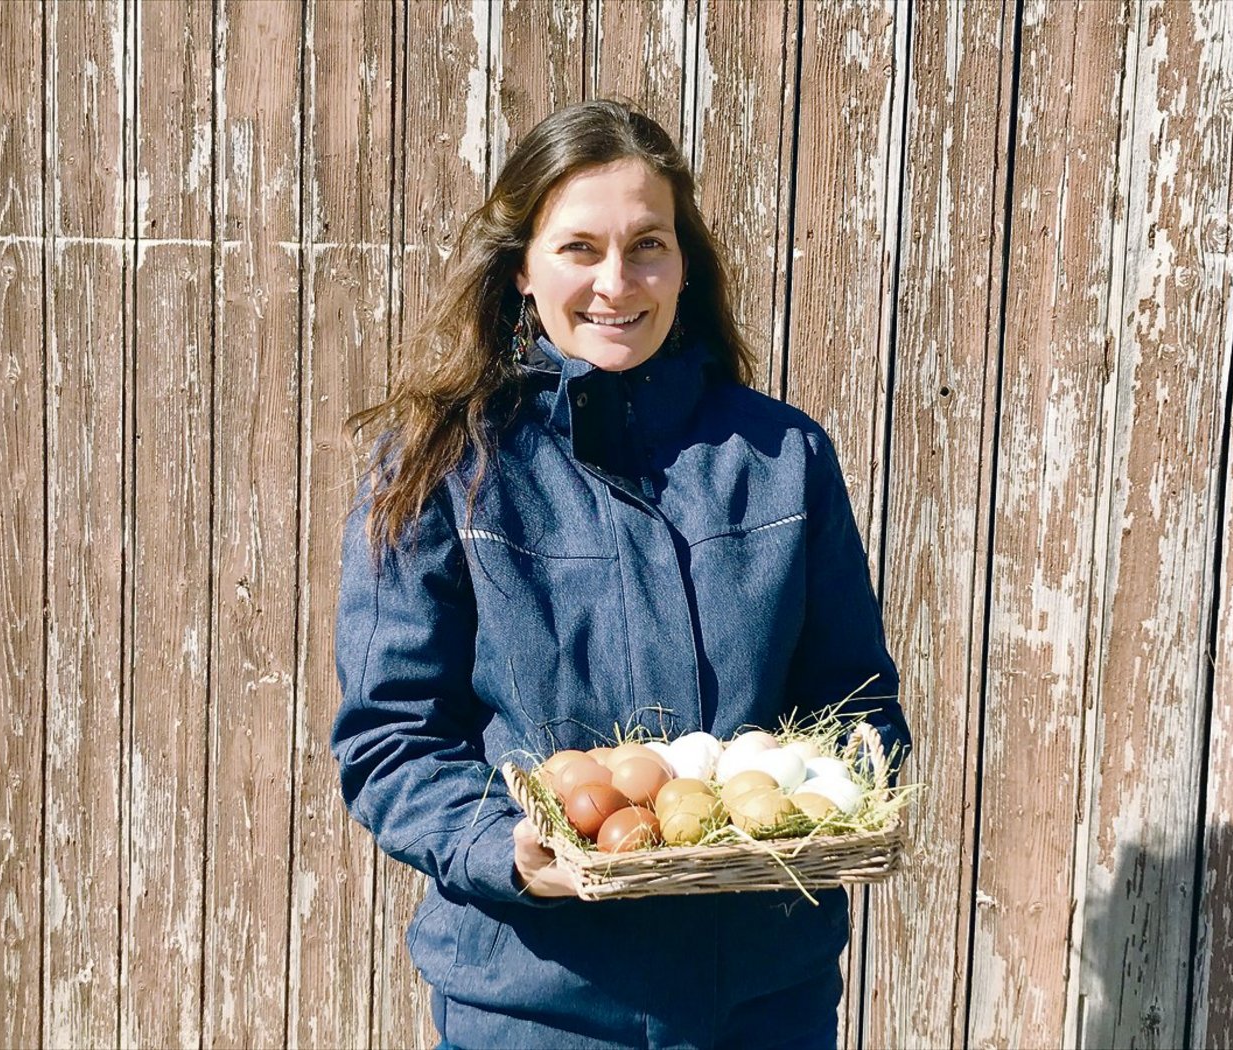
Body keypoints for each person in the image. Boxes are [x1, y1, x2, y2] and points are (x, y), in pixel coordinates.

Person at [331, 99, 911, 1050]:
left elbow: (856, 702)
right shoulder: (446, 468)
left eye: (648, 244)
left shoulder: (780, 458)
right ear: (521, 267)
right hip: (537, 1003)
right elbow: (389, 738)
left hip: (763, 1004)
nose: (617, 281)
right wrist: (503, 848)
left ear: (685, 264)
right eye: (579, 249)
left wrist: (840, 794)